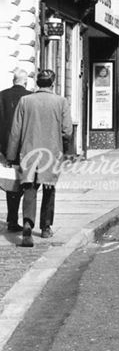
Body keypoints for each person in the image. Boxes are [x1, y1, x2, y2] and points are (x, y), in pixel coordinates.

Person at [6, 69, 72, 247]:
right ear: (53, 83)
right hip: (51, 152)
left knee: (29, 189)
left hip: (29, 152)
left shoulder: (25, 101)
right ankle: (46, 227)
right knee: (49, 190)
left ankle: (27, 223)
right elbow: (67, 131)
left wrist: (12, 156)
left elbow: (15, 132)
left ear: (37, 83)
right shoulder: (61, 102)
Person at [0, 69, 30, 233]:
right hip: (26, 147)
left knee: (11, 183)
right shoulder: (30, 97)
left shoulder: (1, 96)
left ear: (13, 80)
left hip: (6, 148)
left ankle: (12, 219)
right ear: (25, 81)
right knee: (27, 184)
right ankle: (23, 219)